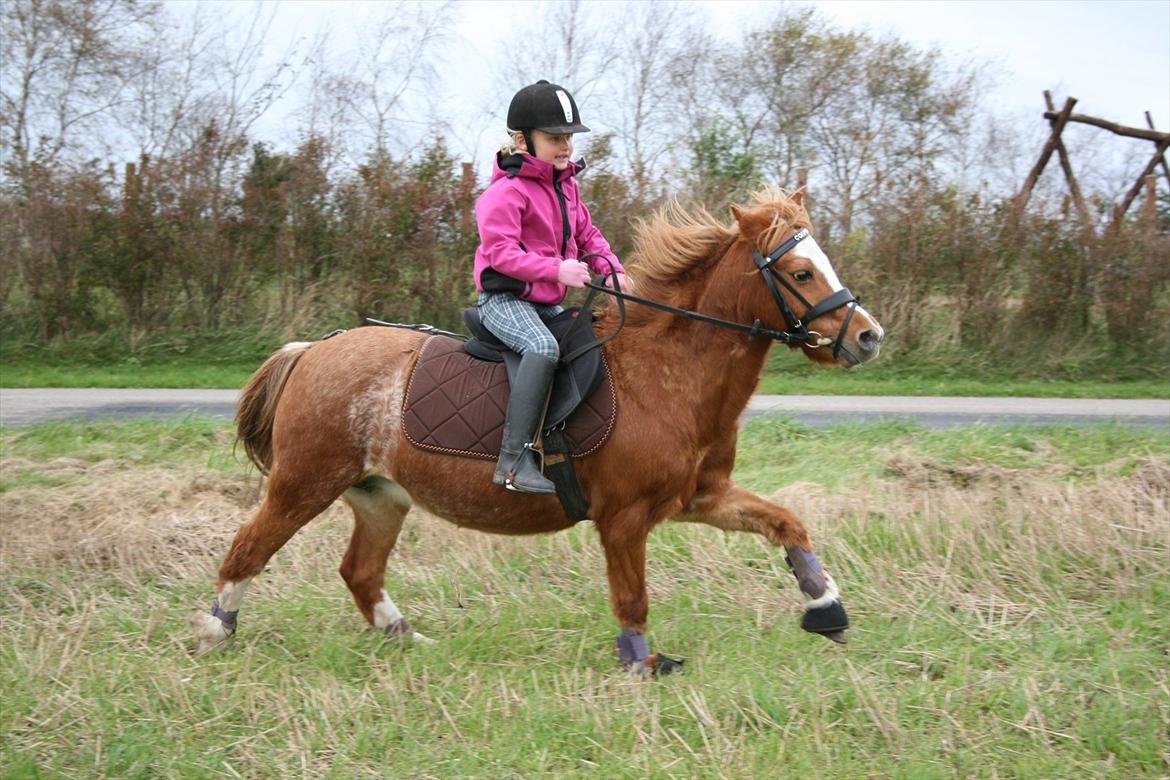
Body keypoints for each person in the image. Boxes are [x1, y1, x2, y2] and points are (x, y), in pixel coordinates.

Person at [474, 80, 631, 494]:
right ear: (524, 140)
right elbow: (502, 254)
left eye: (568, 138)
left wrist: (612, 269)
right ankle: (512, 461)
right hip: (504, 301)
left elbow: (588, 236)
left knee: (589, 337)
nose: (565, 146)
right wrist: (557, 270)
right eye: (554, 138)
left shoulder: (567, 187)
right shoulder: (503, 194)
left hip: (544, 304)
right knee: (542, 347)